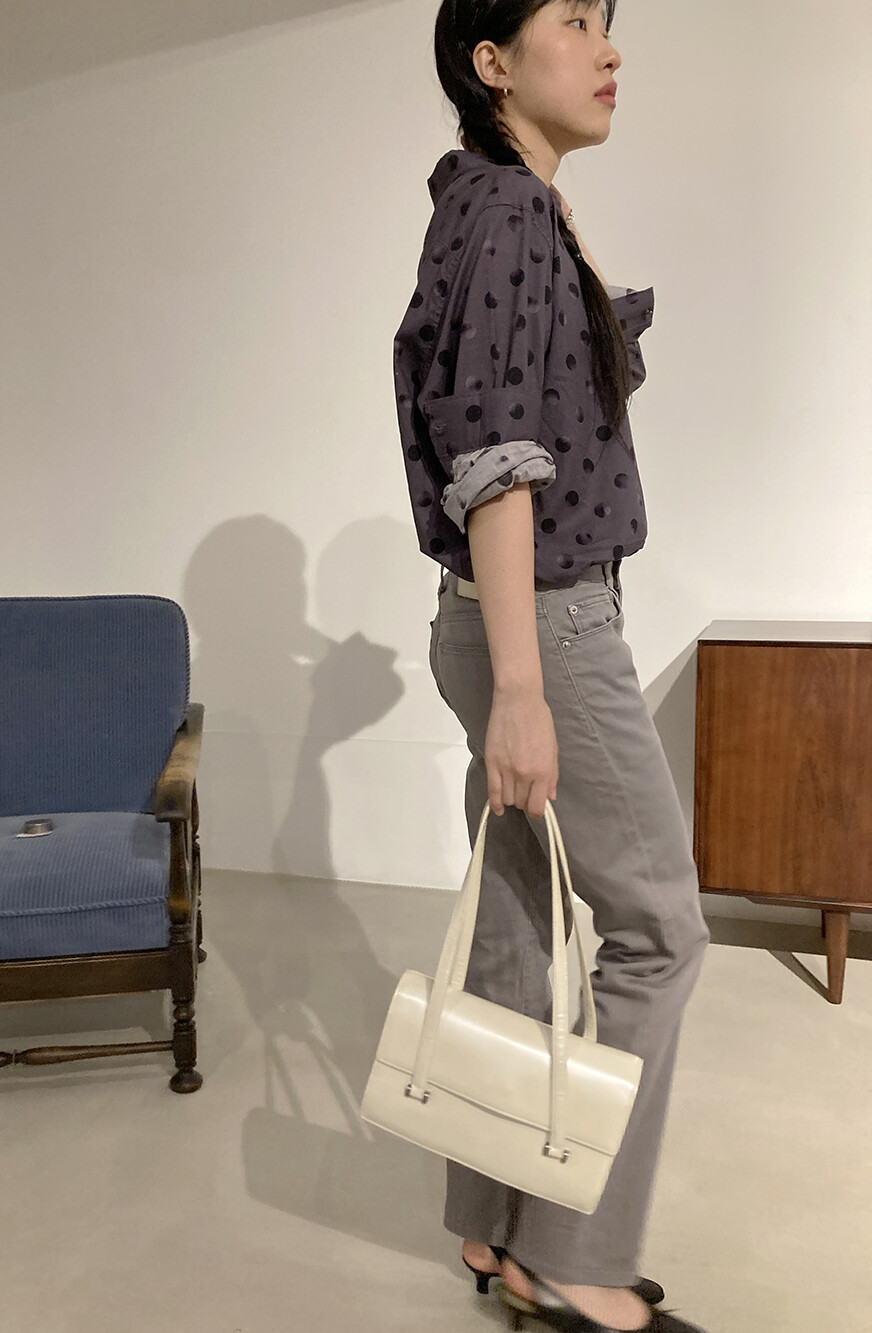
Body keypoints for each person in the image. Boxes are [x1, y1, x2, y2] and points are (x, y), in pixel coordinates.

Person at [391, 2, 713, 1330]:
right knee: (659, 929)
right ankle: (576, 1259)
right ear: (493, 61)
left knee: (523, 924)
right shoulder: (511, 210)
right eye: (574, 19)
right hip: (549, 625)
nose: (608, 47)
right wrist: (525, 691)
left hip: (488, 615)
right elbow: (495, 457)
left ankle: (493, 1225)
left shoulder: (489, 204)